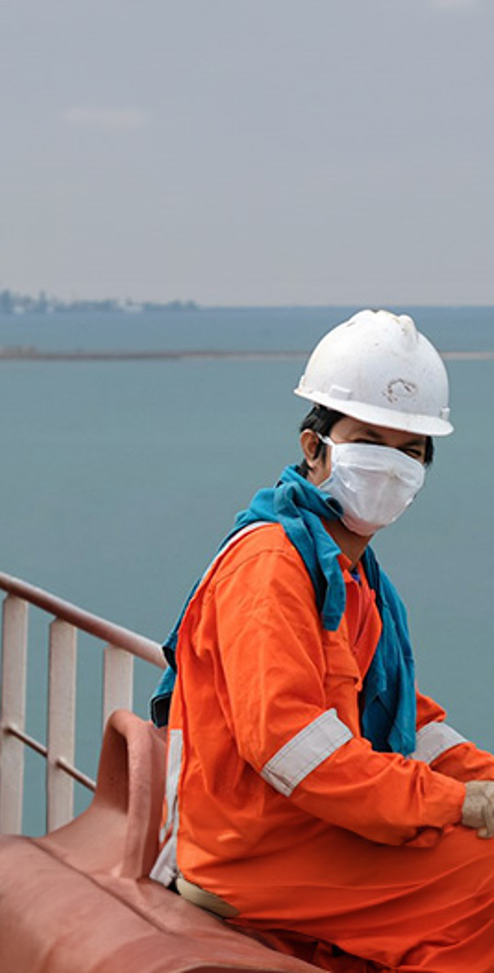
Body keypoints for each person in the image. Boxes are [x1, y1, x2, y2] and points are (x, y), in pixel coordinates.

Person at [149, 310, 494, 973]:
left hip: (308, 828)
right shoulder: (273, 565)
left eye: (411, 450)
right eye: (369, 439)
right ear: (316, 447)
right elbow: (291, 747)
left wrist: (481, 781)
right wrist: (455, 804)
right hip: (255, 850)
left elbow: (402, 723)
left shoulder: (349, 576)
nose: (391, 466)